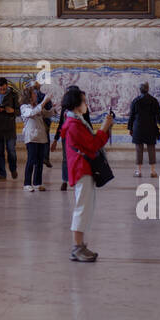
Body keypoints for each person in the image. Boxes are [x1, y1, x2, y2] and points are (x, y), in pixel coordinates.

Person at [60, 87, 114, 263]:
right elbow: (91, 144)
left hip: (84, 169)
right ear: (76, 105)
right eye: (83, 101)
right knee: (82, 208)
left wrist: (105, 129)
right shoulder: (74, 125)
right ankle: (76, 247)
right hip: (81, 169)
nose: (86, 104)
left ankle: (80, 245)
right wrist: (104, 128)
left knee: (86, 207)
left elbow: (94, 142)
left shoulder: (78, 122)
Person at [127, 81, 160, 179]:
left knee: (139, 150)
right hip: (151, 128)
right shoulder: (153, 100)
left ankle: (138, 171)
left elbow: (131, 116)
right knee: (151, 149)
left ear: (139, 90)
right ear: (148, 89)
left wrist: (130, 128)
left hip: (138, 128)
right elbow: (159, 116)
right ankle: (153, 171)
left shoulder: (135, 101)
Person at [20, 85, 53, 191]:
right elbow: (32, 113)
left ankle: (37, 183)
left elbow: (46, 114)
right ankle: (27, 184)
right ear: (29, 97)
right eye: (34, 94)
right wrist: (44, 101)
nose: (36, 95)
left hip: (41, 137)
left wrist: (54, 109)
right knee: (31, 160)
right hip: (31, 138)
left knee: (39, 161)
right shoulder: (25, 107)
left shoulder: (38, 106)